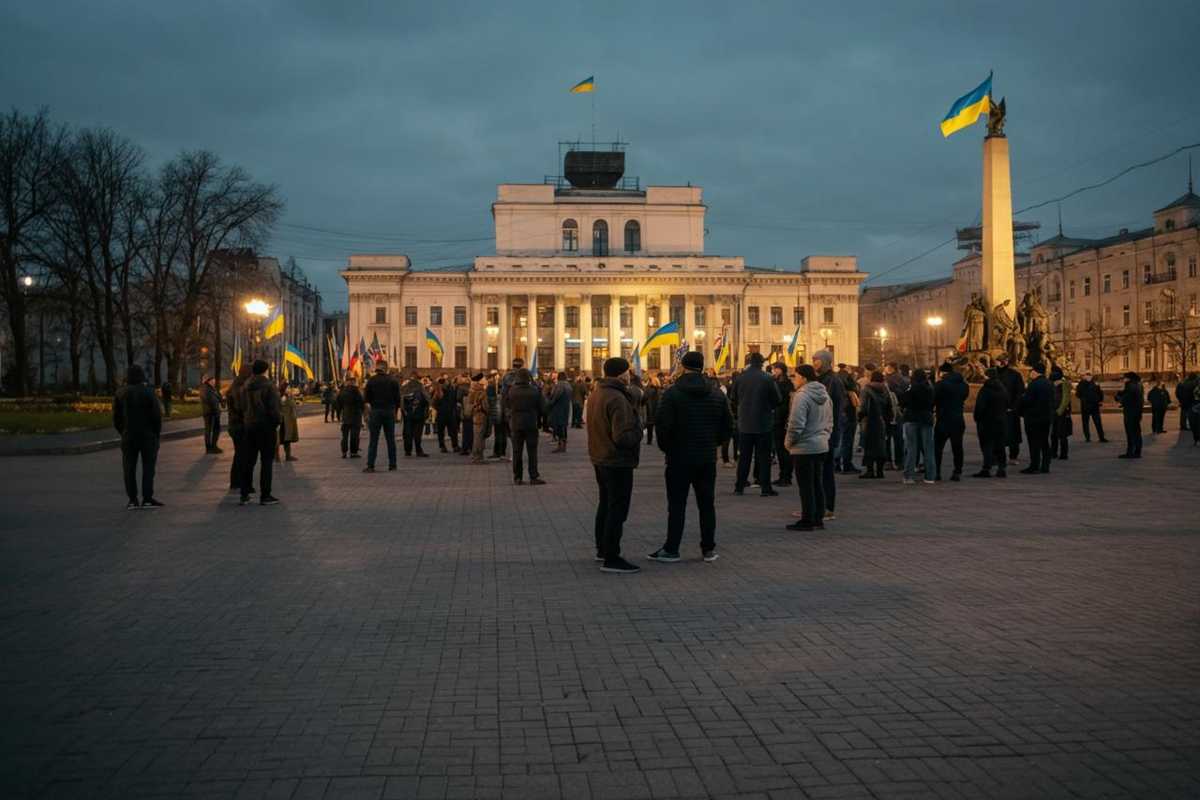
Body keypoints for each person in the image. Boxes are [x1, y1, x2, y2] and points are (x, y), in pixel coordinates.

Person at [648, 351, 732, 563]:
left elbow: (662, 425)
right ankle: (708, 549)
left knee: (677, 505)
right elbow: (728, 426)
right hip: (706, 457)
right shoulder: (716, 393)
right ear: (702, 367)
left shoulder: (672, 393)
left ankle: (672, 548)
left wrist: (668, 449)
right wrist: (713, 443)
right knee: (707, 503)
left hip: (678, 458)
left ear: (683, 367)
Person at [586, 357, 643, 574]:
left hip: (600, 457)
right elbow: (622, 437)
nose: (630, 374)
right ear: (622, 374)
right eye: (628, 371)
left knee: (605, 504)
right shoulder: (618, 398)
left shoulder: (597, 393)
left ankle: (602, 549)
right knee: (617, 509)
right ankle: (612, 556)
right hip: (616, 460)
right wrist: (639, 431)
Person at [784, 364, 833, 531]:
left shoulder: (802, 396)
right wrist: (825, 435)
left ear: (804, 378)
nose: (794, 380)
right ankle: (818, 517)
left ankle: (807, 519)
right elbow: (830, 420)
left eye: (795, 376)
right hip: (820, 445)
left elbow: (796, 424)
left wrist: (789, 442)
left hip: (804, 447)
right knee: (817, 483)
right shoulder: (825, 394)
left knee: (806, 485)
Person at [729, 352, 781, 496]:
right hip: (763, 423)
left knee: (744, 457)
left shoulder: (740, 378)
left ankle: (739, 487)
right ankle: (765, 488)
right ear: (761, 363)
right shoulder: (767, 378)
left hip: (745, 423)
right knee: (764, 457)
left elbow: (733, 398)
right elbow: (777, 399)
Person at [113, 364, 163, 509]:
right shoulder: (148, 392)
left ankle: (132, 500)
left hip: (128, 436)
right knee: (148, 468)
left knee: (129, 468)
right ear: (141, 376)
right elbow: (156, 416)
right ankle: (147, 499)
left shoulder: (120, 393)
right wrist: (156, 434)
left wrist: (123, 432)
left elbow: (116, 418)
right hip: (148, 436)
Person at [238, 359, 281, 505]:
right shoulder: (269, 386)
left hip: (249, 426)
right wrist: (277, 422)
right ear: (265, 370)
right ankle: (265, 495)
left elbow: (241, 406)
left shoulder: (245, 386)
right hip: (266, 427)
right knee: (267, 461)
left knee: (248, 460)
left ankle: (244, 494)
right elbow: (274, 408)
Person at [812, 350, 847, 515]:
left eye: (817, 361)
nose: (814, 364)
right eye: (813, 360)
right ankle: (818, 506)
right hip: (820, 431)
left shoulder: (833, 381)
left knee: (826, 471)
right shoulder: (821, 379)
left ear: (826, 362)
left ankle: (827, 507)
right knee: (818, 471)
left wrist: (830, 430)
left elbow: (835, 408)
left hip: (827, 431)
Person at [506, 368, 547, 484]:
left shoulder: (511, 391)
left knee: (516, 451)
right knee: (532, 452)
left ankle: (517, 477)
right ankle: (533, 476)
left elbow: (506, 405)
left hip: (516, 424)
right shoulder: (534, 391)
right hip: (531, 424)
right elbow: (543, 408)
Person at [932, 363, 968, 481]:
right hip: (958, 419)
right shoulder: (963, 385)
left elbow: (933, 399)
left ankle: (937, 472)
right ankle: (957, 471)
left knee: (938, 448)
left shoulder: (940, 385)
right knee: (957, 447)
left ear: (942, 372)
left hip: (943, 419)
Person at [899, 368, 936, 484]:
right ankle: (930, 476)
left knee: (911, 448)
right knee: (928, 448)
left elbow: (903, 401)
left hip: (911, 418)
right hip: (926, 418)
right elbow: (933, 403)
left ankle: (908, 476)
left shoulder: (911, 388)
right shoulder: (930, 388)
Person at [971, 368, 1009, 478]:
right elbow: (1007, 403)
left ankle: (986, 468)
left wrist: (977, 418)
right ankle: (1002, 467)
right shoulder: (1002, 389)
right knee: (1000, 445)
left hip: (987, 422)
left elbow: (980, 407)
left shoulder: (985, 390)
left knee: (987, 446)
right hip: (1000, 421)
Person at [363, 360, 400, 472]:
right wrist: (396, 411)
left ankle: (370, 465)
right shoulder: (393, 381)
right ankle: (392, 465)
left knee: (373, 440)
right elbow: (398, 399)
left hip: (376, 412)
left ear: (377, 368)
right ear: (386, 368)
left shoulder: (371, 381)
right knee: (390, 440)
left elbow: (366, 399)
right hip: (389, 411)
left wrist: (367, 414)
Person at [1018, 362, 1054, 474]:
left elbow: (1027, 400)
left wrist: (1022, 398)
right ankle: (1045, 465)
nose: (1030, 373)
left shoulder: (1034, 384)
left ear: (1035, 372)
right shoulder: (1049, 383)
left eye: (1031, 371)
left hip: (1033, 417)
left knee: (1034, 443)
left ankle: (1034, 465)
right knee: (1044, 442)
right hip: (1046, 417)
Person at [856, 370, 892, 479]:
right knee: (881, 445)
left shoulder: (866, 389)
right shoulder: (885, 389)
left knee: (869, 445)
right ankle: (880, 471)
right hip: (882, 420)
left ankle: (870, 471)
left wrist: (859, 417)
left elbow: (863, 407)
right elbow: (889, 405)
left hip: (869, 420)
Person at [225, 365, 253, 494]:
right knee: (242, 454)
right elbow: (241, 408)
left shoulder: (235, 387)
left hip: (235, 425)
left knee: (240, 454)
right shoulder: (239, 389)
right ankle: (238, 482)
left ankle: (236, 481)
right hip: (239, 425)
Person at [995, 356, 1025, 463]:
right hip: (997, 410)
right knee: (998, 435)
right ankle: (997, 457)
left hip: (1011, 411)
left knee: (1012, 435)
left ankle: (1013, 456)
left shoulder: (1015, 375)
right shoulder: (994, 374)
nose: (997, 363)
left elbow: (1020, 392)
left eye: (999, 361)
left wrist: (1013, 407)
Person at [769, 362, 795, 486]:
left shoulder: (783, 384)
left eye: (775, 369)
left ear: (780, 370)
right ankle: (783, 475)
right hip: (780, 418)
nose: (773, 371)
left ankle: (786, 476)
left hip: (781, 419)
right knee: (781, 450)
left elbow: (782, 401)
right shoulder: (783, 383)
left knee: (783, 449)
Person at [883, 363, 909, 469]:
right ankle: (900, 461)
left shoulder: (888, 380)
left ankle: (888, 461)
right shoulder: (904, 379)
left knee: (887, 438)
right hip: (900, 411)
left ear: (891, 368)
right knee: (898, 438)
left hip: (889, 412)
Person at [835, 364, 859, 474]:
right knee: (847, 440)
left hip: (838, 414)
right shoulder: (850, 389)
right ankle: (846, 464)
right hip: (849, 414)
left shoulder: (834, 380)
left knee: (838, 440)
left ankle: (836, 463)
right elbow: (855, 389)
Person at [399, 371, 430, 457]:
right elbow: (427, 398)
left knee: (407, 432)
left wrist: (403, 411)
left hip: (407, 413)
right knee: (417, 433)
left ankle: (408, 451)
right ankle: (418, 450)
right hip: (418, 412)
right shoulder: (420, 386)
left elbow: (400, 400)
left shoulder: (404, 387)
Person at [1116, 371, 1145, 458]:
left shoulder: (1130, 385)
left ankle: (1130, 452)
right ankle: (1137, 451)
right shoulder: (1139, 385)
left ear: (1129, 378)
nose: (1123, 379)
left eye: (1124, 378)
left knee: (1130, 432)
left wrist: (1119, 398)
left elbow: (1127, 399)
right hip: (1137, 411)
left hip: (1130, 412)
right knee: (1137, 432)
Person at [336, 376, 365, 458]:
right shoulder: (356, 390)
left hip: (345, 415)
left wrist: (340, 413)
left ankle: (344, 452)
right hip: (355, 415)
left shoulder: (342, 391)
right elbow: (361, 401)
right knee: (354, 435)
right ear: (353, 382)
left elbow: (338, 403)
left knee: (345, 436)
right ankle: (353, 452)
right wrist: (362, 411)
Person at [1074, 371, 1107, 442]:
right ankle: (1101, 437)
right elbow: (1100, 393)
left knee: (1086, 422)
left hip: (1086, 405)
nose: (1088, 377)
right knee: (1097, 422)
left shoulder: (1081, 384)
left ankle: (1088, 438)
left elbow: (1077, 394)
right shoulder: (1094, 383)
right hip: (1093, 405)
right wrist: (1099, 400)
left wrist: (1083, 398)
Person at [1050, 366, 1073, 459]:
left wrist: (1059, 411)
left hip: (1061, 413)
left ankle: (1063, 454)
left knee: (1062, 434)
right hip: (1054, 412)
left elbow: (1066, 399)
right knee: (1053, 434)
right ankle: (1054, 452)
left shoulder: (1064, 384)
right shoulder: (1052, 385)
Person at [433, 376, 460, 453]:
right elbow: (455, 400)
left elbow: (433, 403)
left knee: (443, 432)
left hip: (443, 414)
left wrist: (438, 408)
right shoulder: (449, 390)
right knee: (452, 431)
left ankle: (444, 446)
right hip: (449, 413)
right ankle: (454, 446)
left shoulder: (439, 391)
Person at [547, 370, 572, 452]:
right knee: (563, 427)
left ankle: (560, 446)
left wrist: (549, 404)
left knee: (559, 427)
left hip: (558, 409)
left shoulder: (560, 385)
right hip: (565, 408)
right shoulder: (568, 385)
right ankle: (563, 445)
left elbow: (555, 397)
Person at [468, 373, 489, 463]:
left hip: (475, 416)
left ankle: (475, 456)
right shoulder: (481, 391)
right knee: (479, 437)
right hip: (481, 416)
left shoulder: (472, 390)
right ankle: (478, 457)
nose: (485, 380)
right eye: (484, 378)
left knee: (477, 436)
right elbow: (486, 406)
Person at [200, 374, 224, 454]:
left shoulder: (212, 389)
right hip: (210, 413)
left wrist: (222, 401)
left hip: (214, 412)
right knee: (209, 430)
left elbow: (218, 397)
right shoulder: (205, 389)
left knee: (216, 430)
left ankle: (214, 446)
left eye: (214, 380)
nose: (214, 381)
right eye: (212, 380)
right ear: (208, 381)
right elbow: (211, 400)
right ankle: (209, 448)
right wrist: (216, 408)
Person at [277, 380, 299, 462]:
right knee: (278, 439)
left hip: (288, 421)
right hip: (282, 421)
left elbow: (293, 406)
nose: (289, 389)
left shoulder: (289, 396)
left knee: (287, 439)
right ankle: (276, 457)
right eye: (288, 387)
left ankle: (288, 456)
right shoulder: (281, 396)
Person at [641, 374, 661, 445]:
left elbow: (644, 398)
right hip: (658, 410)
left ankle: (649, 440)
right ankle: (659, 440)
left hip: (650, 410)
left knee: (650, 427)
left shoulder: (649, 389)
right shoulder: (660, 390)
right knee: (658, 427)